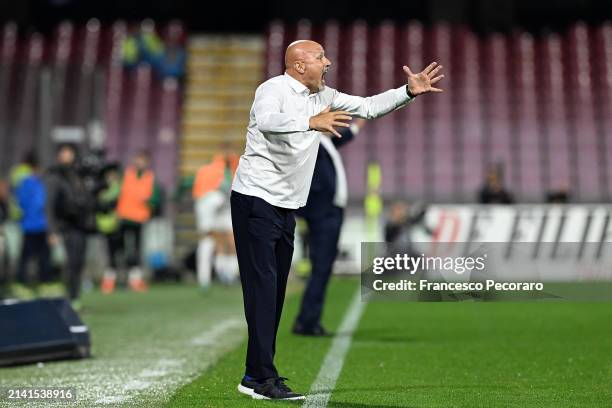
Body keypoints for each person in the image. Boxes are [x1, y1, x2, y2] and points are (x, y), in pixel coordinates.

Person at [230, 39, 444, 400]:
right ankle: (264, 378)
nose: (327, 62)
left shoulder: (323, 95)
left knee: (275, 291)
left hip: (285, 207)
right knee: (263, 288)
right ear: (299, 66)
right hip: (255, 200)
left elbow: (368, 107)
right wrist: (309, 122)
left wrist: (408, 91)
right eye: (319, 57)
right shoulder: (273, 89)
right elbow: (266, 121)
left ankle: (254, 374)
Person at [292, 119, 366, 336]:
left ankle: (307, 319)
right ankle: (307, 322)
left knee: (322, 268)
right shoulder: (312, 142)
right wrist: (308, 213)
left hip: (329, 213)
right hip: (323, 214)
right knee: (321, 268)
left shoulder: (324, 143)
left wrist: (358, 125)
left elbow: (341, 137)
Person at [46, 144, 97, 308]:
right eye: (63, 153)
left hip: (81, 224)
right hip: (65, 225)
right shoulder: (55, 177)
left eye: (69, 153)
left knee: (78, 262)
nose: (66, 156)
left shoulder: (80, 176)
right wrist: (52, 230)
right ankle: (68, 296)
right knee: (70, 262)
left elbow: (87, 199)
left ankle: (74, 296)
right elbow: (49, 205)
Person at [192, 148, 239, 287]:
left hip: (209, 202)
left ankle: (207, 278)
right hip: (217, 200)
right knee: (225, 238)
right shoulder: (228, 166)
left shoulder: (206, 169)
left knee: (211, 239)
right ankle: (227, 274)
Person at [116, 151, 161, 292]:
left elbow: (156, 198)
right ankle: (120, 278)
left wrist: (149, 201)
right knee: (121, 249)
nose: (140, 163)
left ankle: (134, 279)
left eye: (143, 160)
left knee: (135, 249)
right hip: (123, 216)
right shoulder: (126, 174)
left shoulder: (150, 177)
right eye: (138, 160)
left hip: (139, 218)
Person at [15, 153, 52, 295]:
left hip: (43, 225)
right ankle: (22, 282)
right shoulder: (27, 183)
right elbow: (23, 202)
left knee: (44, 257)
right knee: (26, 256)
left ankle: (45, 282)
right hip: (30, 225)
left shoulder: (43, 183)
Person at [97, 164, 123, 294]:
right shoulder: (103, 189)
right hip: (106, 226)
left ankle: (119, 280)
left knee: (119, 253)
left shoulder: (119, 188)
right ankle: (109, 280)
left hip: (119, 224)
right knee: (110, 253)